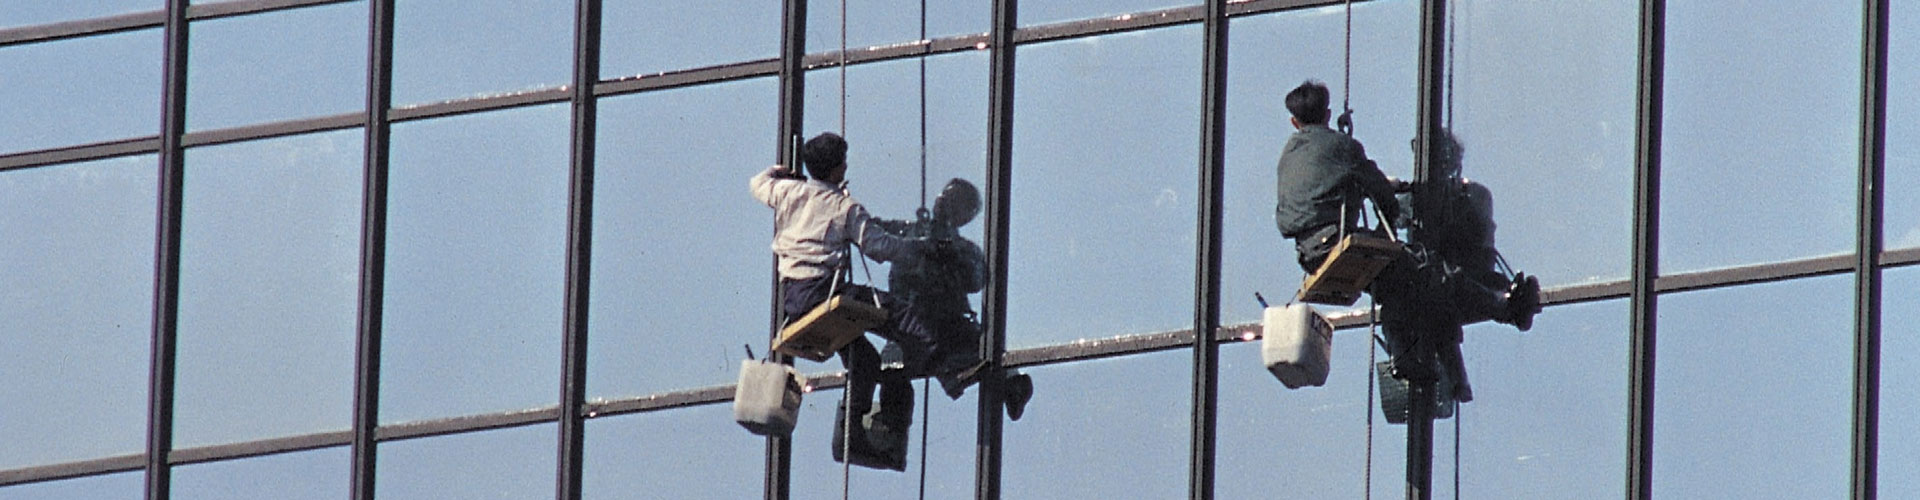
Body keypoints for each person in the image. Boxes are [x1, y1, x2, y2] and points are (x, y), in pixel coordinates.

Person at [1272, 80, 1540, 402]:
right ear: (1328, 113)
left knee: (1399, 286)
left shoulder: (1288, 156)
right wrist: (1388, 206)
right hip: (1337, 242)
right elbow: (1378, 189)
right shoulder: (1342, 147)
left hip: (1309, 251)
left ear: (1294, 122)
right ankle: (1504, 308)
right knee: (1429, 272)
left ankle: (1411, 362)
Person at [749, 132, 929, 469]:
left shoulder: (788, 191)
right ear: (836, 169)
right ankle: (933, 350)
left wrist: (781, 171)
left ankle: (853, 437)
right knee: (898, 314)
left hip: (796, 299)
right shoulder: (843, 206)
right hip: (825, 292)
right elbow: (878, 247)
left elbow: (758, 183)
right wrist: (917, 250)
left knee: (865, 363)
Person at [871, 179, 1033, 420]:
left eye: (953, 203)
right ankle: (891, 420)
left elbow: (977, 279)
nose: (942, 203)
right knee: (893, 366)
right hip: (909, 323)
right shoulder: (909, 232)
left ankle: (1009, 385)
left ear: (963, 216)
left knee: (985, 347)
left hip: (946, 324)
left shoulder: (965, 250)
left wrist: (950, 252)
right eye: (944, 198)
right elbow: (873, 230)